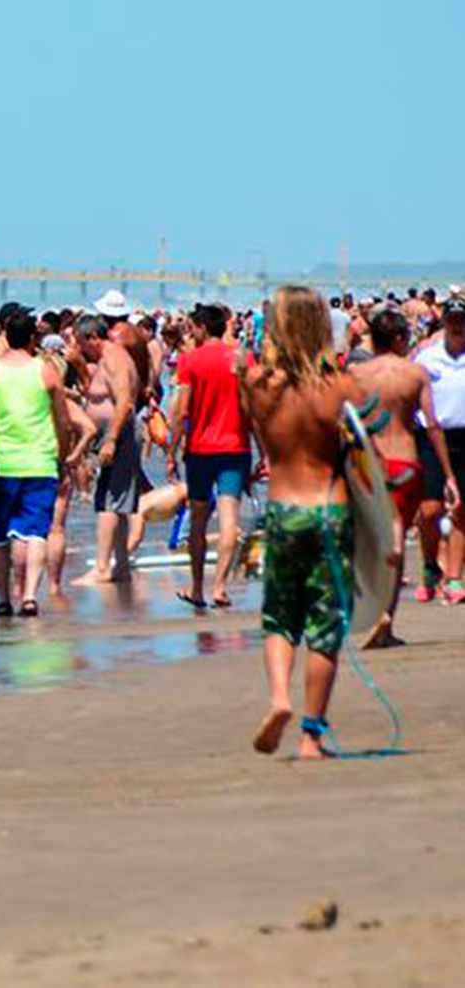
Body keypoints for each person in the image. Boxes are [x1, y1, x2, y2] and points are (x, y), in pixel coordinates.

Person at [243, 287, 361, 761]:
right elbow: (361, 455)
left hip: (282, 508)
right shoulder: (342, 388)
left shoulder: (255, 384)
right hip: (330, 509)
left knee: (279, 616)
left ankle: (278, 699)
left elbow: (263, 444)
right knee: (325, 624)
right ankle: (311, 735)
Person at [350, 307, 457, 644]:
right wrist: (449, 474)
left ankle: (373, 613)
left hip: (369, 465)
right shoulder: (415, 373)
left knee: (372, 542)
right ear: (398, 339)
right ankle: (386, 619)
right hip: (406, 462)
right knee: (394, 542)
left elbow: (347, 426)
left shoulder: (355, 374)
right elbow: (433, 426)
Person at [0, 308, 71, 617]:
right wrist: (62, 456)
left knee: (0, 534)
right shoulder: (46, 371)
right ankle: (29, 596)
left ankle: (3, 598)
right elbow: (63, 421)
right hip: (40, 460)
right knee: (37, 532)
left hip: (2, 461)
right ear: (32, 339)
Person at [166, 303, 255, 609]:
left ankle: (197, 588)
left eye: (193, 327)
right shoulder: (243, 358)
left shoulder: (191, 360)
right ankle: (220, 587)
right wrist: (264, 452)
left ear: (203, 328)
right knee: (230, 518)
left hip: (200, 450)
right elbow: (252, 408)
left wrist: (170, 450)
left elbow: (181, 411)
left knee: (199, 520)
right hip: (236, 448)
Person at [72, 311, 142, 585]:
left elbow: (123, 399)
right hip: (112, 432)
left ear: (93, 337)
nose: (79, 348)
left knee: (108, 502)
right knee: (118, 501)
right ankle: (121, 566)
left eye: (81, 342)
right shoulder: (106, 358)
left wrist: (111, 439)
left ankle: (102, 567)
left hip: (118, 433)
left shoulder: (113, 358)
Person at [413, 296, 465, 603]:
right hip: (433, 438)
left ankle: (456, 576)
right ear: (444, 323)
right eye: (453, 320)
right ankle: (431, 563)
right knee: (430, 509)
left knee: (461, 509)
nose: (458, 325)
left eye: (462, 320)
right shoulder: (428, 358)